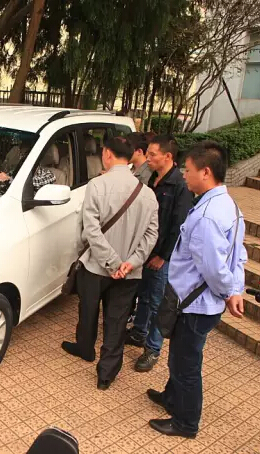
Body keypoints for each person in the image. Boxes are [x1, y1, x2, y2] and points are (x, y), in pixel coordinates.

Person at [148, 142, 246, 438]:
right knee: (181, 356)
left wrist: (229, 292)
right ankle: (171, 397)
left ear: (205, 172)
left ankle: (185, 423)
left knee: (185, 364)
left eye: (188, 170)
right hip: (198, 302)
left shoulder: (207, 216)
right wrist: (235, 289)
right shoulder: (228, 205)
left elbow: (214, 268)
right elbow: (238, 255)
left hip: (195, 304)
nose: (184, 175)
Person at [61, 138, 158, 390]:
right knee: (117, 320)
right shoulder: (147, 193)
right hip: (129, 273)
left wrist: (111, 262)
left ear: (107, 154)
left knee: (88, 309)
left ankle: (85, 348)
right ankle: (106, 374)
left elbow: (90, 229)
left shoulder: (97, 185)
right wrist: (129, 263)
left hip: (96, 266)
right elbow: (151, 235)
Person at [126, 135, 193, 372]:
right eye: (148, 154)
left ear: (168, 156)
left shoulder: (180, 186)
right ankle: (138, 332)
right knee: (143, 295)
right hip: (145, 250)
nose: (148, 158)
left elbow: (178, 226)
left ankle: (153, 349)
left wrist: (163, 256)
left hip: (161, 257)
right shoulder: (152, 179)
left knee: (157, 302)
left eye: (153, 154)